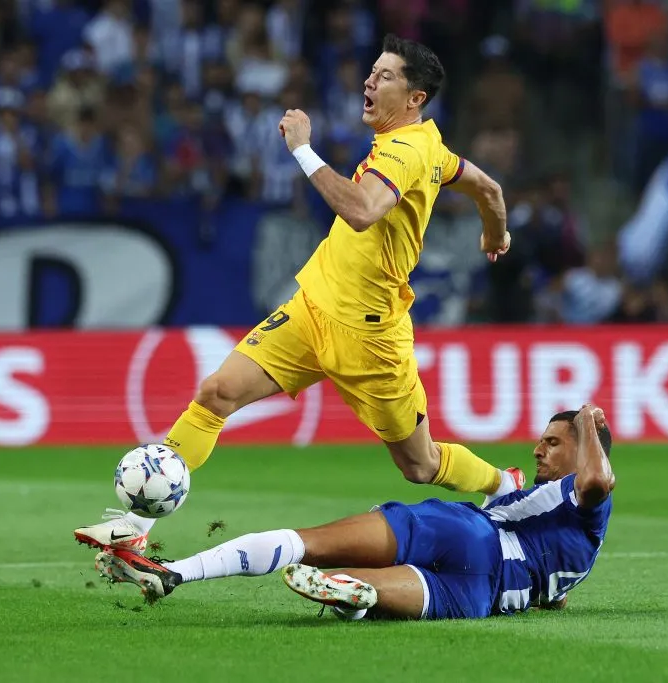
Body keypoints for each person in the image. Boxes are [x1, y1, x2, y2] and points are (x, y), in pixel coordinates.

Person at [74, 34, 514, 554]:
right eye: (372, 71)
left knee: (419, 465)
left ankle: (504, 487)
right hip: (312, 309)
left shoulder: (407, 150)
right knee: (217, 393)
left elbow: (360, 210)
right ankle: (133, 526)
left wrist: (302, 149)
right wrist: (496, 231)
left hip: (370, 337)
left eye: (386, 76)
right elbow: (489, 187)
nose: (369, 81)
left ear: (415, 99)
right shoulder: (431, 147)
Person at [93, 406, 615, 621]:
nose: (539, 450)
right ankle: (358, 596)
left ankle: (176, 572)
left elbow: (597, 478)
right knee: (354, 582)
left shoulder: (584, 491)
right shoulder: (579, 540)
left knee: (307, 542)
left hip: (465, 533)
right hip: (481, 595)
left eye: (552, 442)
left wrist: (588, 420)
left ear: (584, 449)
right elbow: (557, 598)